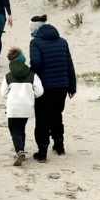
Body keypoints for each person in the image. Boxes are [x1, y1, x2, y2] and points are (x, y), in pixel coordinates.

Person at [29, 17, 77, 162]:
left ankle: (42, 152)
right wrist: (72, 86)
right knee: (57, 115)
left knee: (42, 119)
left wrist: (30, 74)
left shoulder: (35, 42)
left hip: (44, 88)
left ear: (36, 30)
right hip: (62, 86)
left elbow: (36, 63)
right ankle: (59, 146)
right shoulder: (62, 42)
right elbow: (69, 65)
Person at [0, 46, 43, 165]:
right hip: (26, 107)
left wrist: (13, 96)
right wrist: (29, 95)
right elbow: (39, 91)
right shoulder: (32, 75)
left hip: (13, 107)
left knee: (14, 130)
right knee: (21, 128)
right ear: (22, 59)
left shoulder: (8, 76)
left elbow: (3, 93)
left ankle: (19, 151)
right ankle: (21, 150)